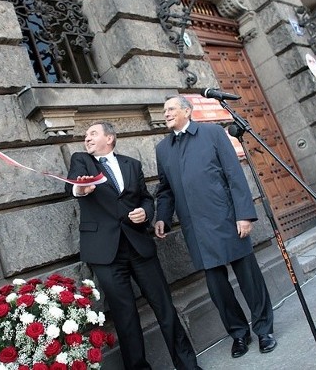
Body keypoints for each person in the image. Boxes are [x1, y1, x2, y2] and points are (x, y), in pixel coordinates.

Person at [66, 121, 202, 370]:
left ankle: (187, 365)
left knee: (165, 308)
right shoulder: (82, 160)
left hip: (138, 246)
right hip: (105, 252)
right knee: (125, 317)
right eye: (86, 135)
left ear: (110, 138)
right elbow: (72, 187)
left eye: (93, 133)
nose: (87, 138)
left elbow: (145, 198)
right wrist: (81, 188)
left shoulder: (132, 164)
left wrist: (145, 212)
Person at [154, 96, 277, 359]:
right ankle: (239, 334)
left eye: (170, 109)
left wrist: (244, 215)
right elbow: (165, 189)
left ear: (187, 111)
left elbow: (234, 173)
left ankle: (264, 329)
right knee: (218, 289)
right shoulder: (163, 148)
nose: (165, 114)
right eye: (164, 110)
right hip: (196, 230)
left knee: (250, 280)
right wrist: (162, 216)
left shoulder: (212, 133)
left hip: (227, 220)